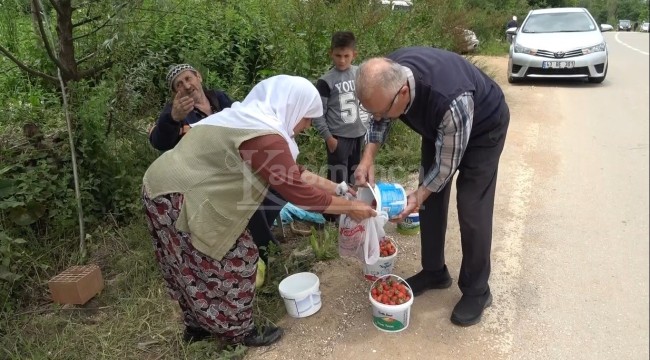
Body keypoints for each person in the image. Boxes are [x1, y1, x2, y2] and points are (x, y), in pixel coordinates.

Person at [142, 75, 376, 346]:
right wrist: (351, 207)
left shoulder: (250, 117)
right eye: (308, 118)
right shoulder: (263, 133)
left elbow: (295, 174)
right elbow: (297, 191)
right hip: (176, 196)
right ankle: (237, 333)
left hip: (160, 189)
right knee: (237, 258)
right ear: (295, 107)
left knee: (184, 261)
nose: (308, 125)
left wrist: (339, 189)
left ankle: (198, 327)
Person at [354, 47, 510, 327]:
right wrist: (367, 159)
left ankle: (477, 290)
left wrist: (421, 191)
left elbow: (446, 167)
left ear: (402, 93)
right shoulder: (387, 74)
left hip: (484, 128)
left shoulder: (452, 100)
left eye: (382, 111)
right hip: (439, 128)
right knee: (429, 202)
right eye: (372, 111)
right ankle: (435, 272)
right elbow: (379, 118)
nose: (378, 117)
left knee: (472, 208)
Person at [149, 64, 283, 284]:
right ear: (176, 93)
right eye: (179, 85)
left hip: (237, 164)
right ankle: (264, 253)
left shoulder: (219, 99)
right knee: (247, 201)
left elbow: (242, 120)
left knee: (277, 186)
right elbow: (159, 142)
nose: (186, 86)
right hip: (208, 178)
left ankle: (254, 238)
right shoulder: (177, 111)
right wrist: (173, 119)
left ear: (198, 77)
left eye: (188, 79)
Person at [313, 31, 368, 222]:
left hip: (359, 134)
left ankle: (351, 213)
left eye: (346, 56)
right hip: (338, 137)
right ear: (331, 53)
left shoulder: (361, 73)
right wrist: (329, 138)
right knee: (337, 180)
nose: (342, 60)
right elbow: (318, 112)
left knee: (355, 175)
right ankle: (331, 218)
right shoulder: (326, 81)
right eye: (338, 55)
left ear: (355, 54)